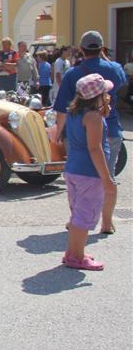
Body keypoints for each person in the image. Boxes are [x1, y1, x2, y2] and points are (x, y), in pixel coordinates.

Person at [52, 30, 127, 234]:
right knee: (107, 178)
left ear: (81, 50)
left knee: (77, 177)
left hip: (76, 131)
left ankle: (77, 219)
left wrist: (58, 132)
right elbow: (121, 83)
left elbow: (62, 108)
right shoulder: (114, 68)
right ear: (102, 48)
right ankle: (106, 222)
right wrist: (105, 59)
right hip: (109, 128)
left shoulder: (72, 73)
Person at [61, 73, 115, 270]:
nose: (108, 96)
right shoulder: (93, 117)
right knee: (85, 217)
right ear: (97, 97)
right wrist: (106, 177)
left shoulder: (75, 113)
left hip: (73, 169)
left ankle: (74, 253)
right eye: (105, 93)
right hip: (89, 173)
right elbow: (95, 148)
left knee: (77, 214)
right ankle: (77, 257)